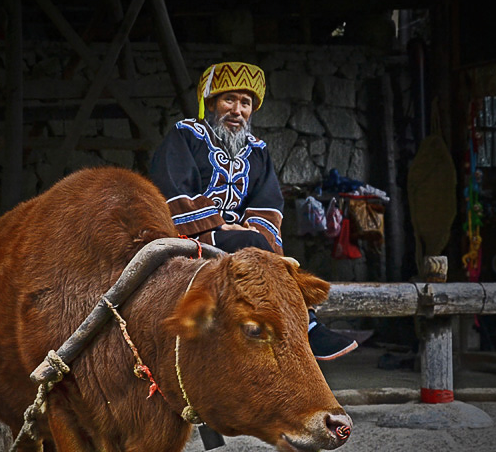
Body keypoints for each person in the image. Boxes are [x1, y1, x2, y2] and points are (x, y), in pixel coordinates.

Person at [150, 61, 357, 360]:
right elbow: (171, 188)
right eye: (229, 99)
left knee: (263, 249)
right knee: (258, 249)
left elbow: (268, 203)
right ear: (211, 103)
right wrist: (219, 226)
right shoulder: (186, 136)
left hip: (243, 239)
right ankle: (308, 326)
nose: (237, 110)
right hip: (190, 236)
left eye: (245, 103)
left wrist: (251, 231)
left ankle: (295, 329)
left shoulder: (256, 150)